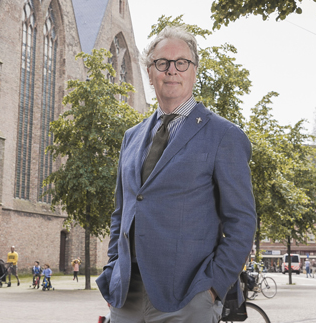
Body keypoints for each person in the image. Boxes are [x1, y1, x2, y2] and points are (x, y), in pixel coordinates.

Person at [95, 26, 257, 323]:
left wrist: (212, 288)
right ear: (149, 72)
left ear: (194, 71)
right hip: (125, 297)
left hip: (188, 296)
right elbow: (122, 211)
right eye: (162, 63)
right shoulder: (131, 137)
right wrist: (113, 269)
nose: (171, 70)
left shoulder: (224, 136)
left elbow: (242, 221)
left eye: (181, 62)